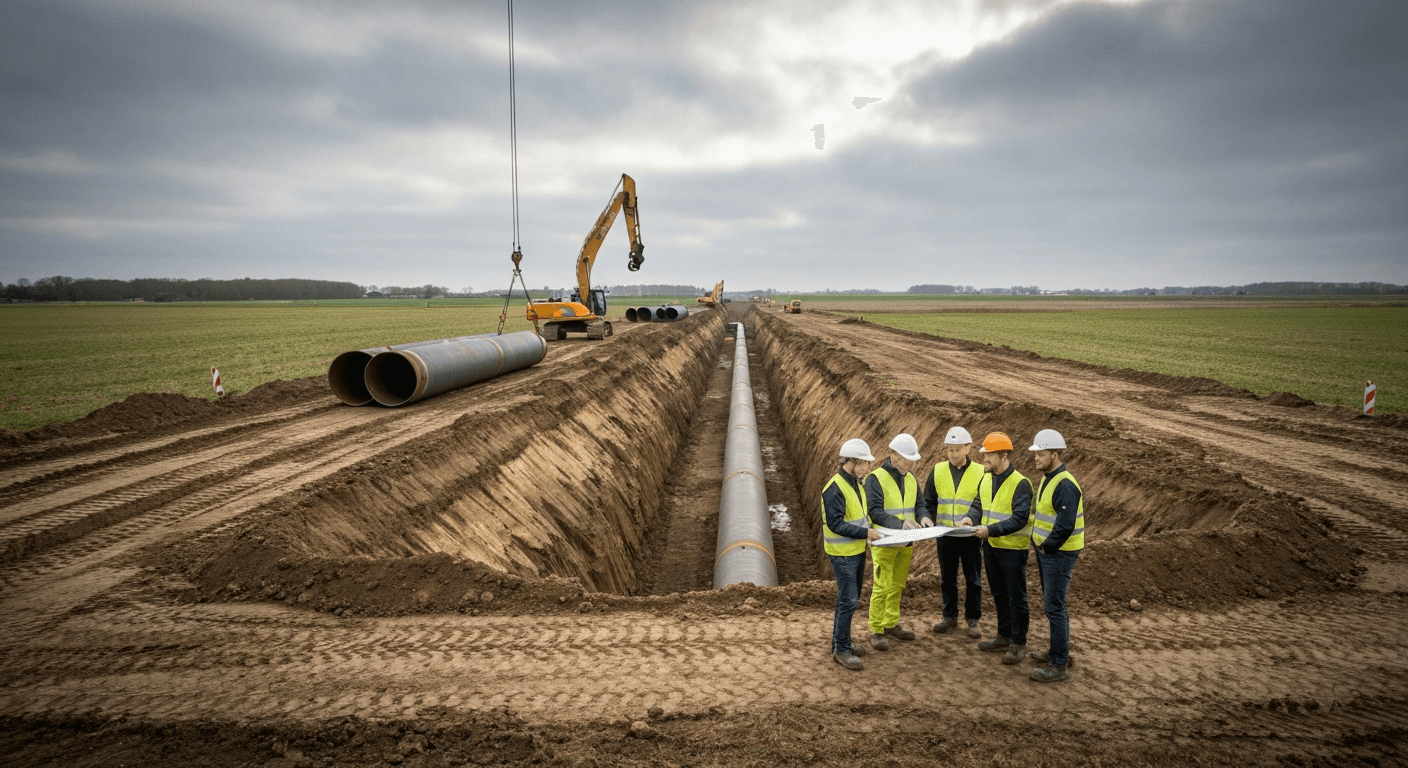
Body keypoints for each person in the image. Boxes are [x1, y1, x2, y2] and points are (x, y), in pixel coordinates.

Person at [959, 432, 1033, 666]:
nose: (984, 459)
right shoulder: (987, 478)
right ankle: (1004, 635)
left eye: (989, 454)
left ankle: (1018, 643)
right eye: (984, 454)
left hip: (1012, 549)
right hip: (991, 547)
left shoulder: (1021, 483)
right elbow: (979, 504)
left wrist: (990, 530)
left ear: (1004, 455)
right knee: (1000, 595)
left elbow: (1020, 519)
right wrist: (970, 518)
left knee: (1016, 597)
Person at [823, 438, 885, 671]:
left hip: (856, 550)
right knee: (847, 600)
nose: (867, 468)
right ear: (851, 461)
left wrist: (872, 531)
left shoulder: (856, 485)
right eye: (864, 463)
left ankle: (842, 642)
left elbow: (860, 516)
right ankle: (841, 650)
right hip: (842, 553)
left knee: (850, 598)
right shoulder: (835, 488)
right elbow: (835, 524)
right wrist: (865, 532)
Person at [1027, 429, 1084, 682]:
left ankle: (1059, 665)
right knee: (1053, 606)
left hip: (1059, 555)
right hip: (1049, 553)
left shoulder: (1065, 484)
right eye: (1035, 453)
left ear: (1054, 453)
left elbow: (1065, 524)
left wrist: (1048, 547)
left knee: (1055, 607)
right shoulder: (1049, 478)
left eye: (1040, 454)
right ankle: (1057, 652)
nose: (1036, 458)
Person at [863, 433, 927, 651]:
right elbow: (875, 511)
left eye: (912, 459)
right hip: (885, 542)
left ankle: (891, 622)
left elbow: (920, 504)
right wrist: (900, 524)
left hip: (906, 543)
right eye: (906, 458)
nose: (910, 463)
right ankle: (877, 629)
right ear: (893, 455)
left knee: (898, 584)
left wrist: (924, 516)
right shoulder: (875, 479)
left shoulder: (910, 478)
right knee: (881, 586)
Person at [920, 426, 985, 638]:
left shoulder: (980, 472)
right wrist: (927, 517)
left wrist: (972, 519)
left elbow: (982, 501)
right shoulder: (938, 470)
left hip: (970, 536)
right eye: (949, 450)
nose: (953, 454)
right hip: (945, 535)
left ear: (968, 447)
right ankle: (949, 616)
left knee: (973, 579)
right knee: (947, 578)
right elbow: (928, 500)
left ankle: (972, 620)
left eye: (957, 449)